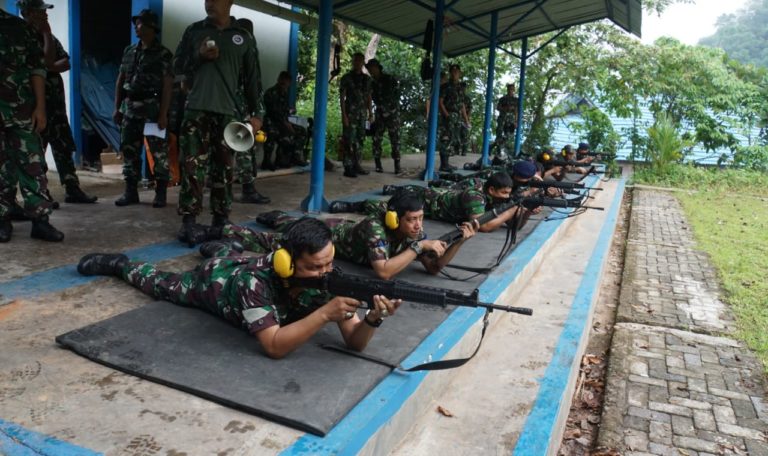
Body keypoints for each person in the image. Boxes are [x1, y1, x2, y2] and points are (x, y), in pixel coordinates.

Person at [76, 217, 401, 359]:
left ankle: (222, 247)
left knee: (228, 254)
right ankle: (120, 265)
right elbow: (273, 346)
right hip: (216, 284)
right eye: (315, 267)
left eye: (329, 263)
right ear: (287, 261)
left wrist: (372, 318)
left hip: (240, 263)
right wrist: (324, 314)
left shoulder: (330, 276)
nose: (325, 272)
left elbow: (355, 344)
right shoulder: (253, 283)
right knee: (162, 285)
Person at [173, 0, 267, 241]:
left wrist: (258, 114)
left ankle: (221, 219)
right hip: (196, 110)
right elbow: (176, 68)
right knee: (192, 167)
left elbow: (253, 79)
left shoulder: (243, 37)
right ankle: (189, 220)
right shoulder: (194, 31)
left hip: (229, 114)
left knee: (224, 167)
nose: (209, 3)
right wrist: (198, 55)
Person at [262, 191, 477, 280]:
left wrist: (459, 242)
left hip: (349, 233)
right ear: (394, 218)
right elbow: (383, 272)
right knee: (290, 227)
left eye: (420, 218)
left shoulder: (415, 233)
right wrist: (418, 248)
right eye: (411, 219)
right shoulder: (375, 227)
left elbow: (433, 267)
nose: (418, 225)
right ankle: (277, 217)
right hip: (333, 232)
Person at [18, 0, 97, 205]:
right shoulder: (21, 38)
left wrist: (49, 62)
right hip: (36, 108)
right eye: (40, 11)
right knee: (37, 152)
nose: (45, 15)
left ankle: (73, 189)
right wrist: (49, 57)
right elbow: (46, 62)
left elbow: (65, 63)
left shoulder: (49, 37)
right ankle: (42, 193)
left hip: (56, 107)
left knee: (63, 148)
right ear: (27, 13)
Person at [0, 5, 63, 242]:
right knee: (1, 170)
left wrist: (40, 107)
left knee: (33, 165)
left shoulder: (18, 28)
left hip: (22, 111)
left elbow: (38, 69)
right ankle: (2, 220)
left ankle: (40, 221)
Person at [113, 9, 173, 208]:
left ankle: (161, 193)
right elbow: (121, 80)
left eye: (139, 24)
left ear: (150, 27)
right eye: (136, 23)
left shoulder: (163, 54)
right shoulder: (129, 51)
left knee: (158, 152)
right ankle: (131, 192)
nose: (135, 27)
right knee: (129, 150)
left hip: (152, 110)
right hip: (130, 108)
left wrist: (163, 114)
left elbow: (167, 85)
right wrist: (117, 108)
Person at [262, 70, 308, 170]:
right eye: (283, 82)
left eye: (286, 83)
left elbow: (284, 111)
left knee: (301, 131)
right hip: (271, 121)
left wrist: (290, 112)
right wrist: (286, 125)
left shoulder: (284, 93)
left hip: (282, 122)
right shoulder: (271, 92)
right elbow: (274, 113)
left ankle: (294, 156)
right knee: (272, 133)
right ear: (278, 80)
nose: (284, 85)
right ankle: (266, 161)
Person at [339, 52, 373, 178]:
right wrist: (344, 116)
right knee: (349, 140)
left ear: (363, 62)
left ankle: (357, 164)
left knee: (360, 140)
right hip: (350, 114)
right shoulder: (346, 78)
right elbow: (342, 98)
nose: (357, 63)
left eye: (360, 60)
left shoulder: (367, 79)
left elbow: (369, 97)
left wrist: (371, 113)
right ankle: (348, 167)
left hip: (362, 115)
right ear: (352, 62)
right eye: (355, 60)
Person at [366, 59, 401, 174]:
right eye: (369, 69)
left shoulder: (389, 79)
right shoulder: (372, 83)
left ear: (378, 68)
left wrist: (391, 110)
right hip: (380, 113)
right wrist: (371, 113)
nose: (371, 71)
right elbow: (370, 97)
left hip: (392, 113)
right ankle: (378, 164)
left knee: (395, 139)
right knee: (376, 138)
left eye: (372, 68)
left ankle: (397, 164)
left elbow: (397, 95)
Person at [438, 64, 469, 171]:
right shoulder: (445, 86)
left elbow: (462, 105)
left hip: (457, 117)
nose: (455, 73)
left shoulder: (460, 87)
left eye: (457, 72)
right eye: (453, 71)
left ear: (460, 73)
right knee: (445, 138)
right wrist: (446, 115)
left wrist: (466, 120)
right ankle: (444, 164)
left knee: (453, 139)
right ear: (450, 73)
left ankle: (446, 164)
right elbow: (440, 102)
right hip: (448, 115)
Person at [495, 83, 518, 156]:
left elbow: (516, 112)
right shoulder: (503, 99)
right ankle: (499, 152)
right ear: (507, 89)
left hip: (510, 121)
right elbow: (498, 107)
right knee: (499, 134)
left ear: (514, 90)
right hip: (502, 119)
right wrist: (505, 108)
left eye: (512, 89)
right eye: (509, 89)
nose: (510, 90)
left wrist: (516, 121)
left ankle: (494, 147)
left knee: (508, 136)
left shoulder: (516, 100)